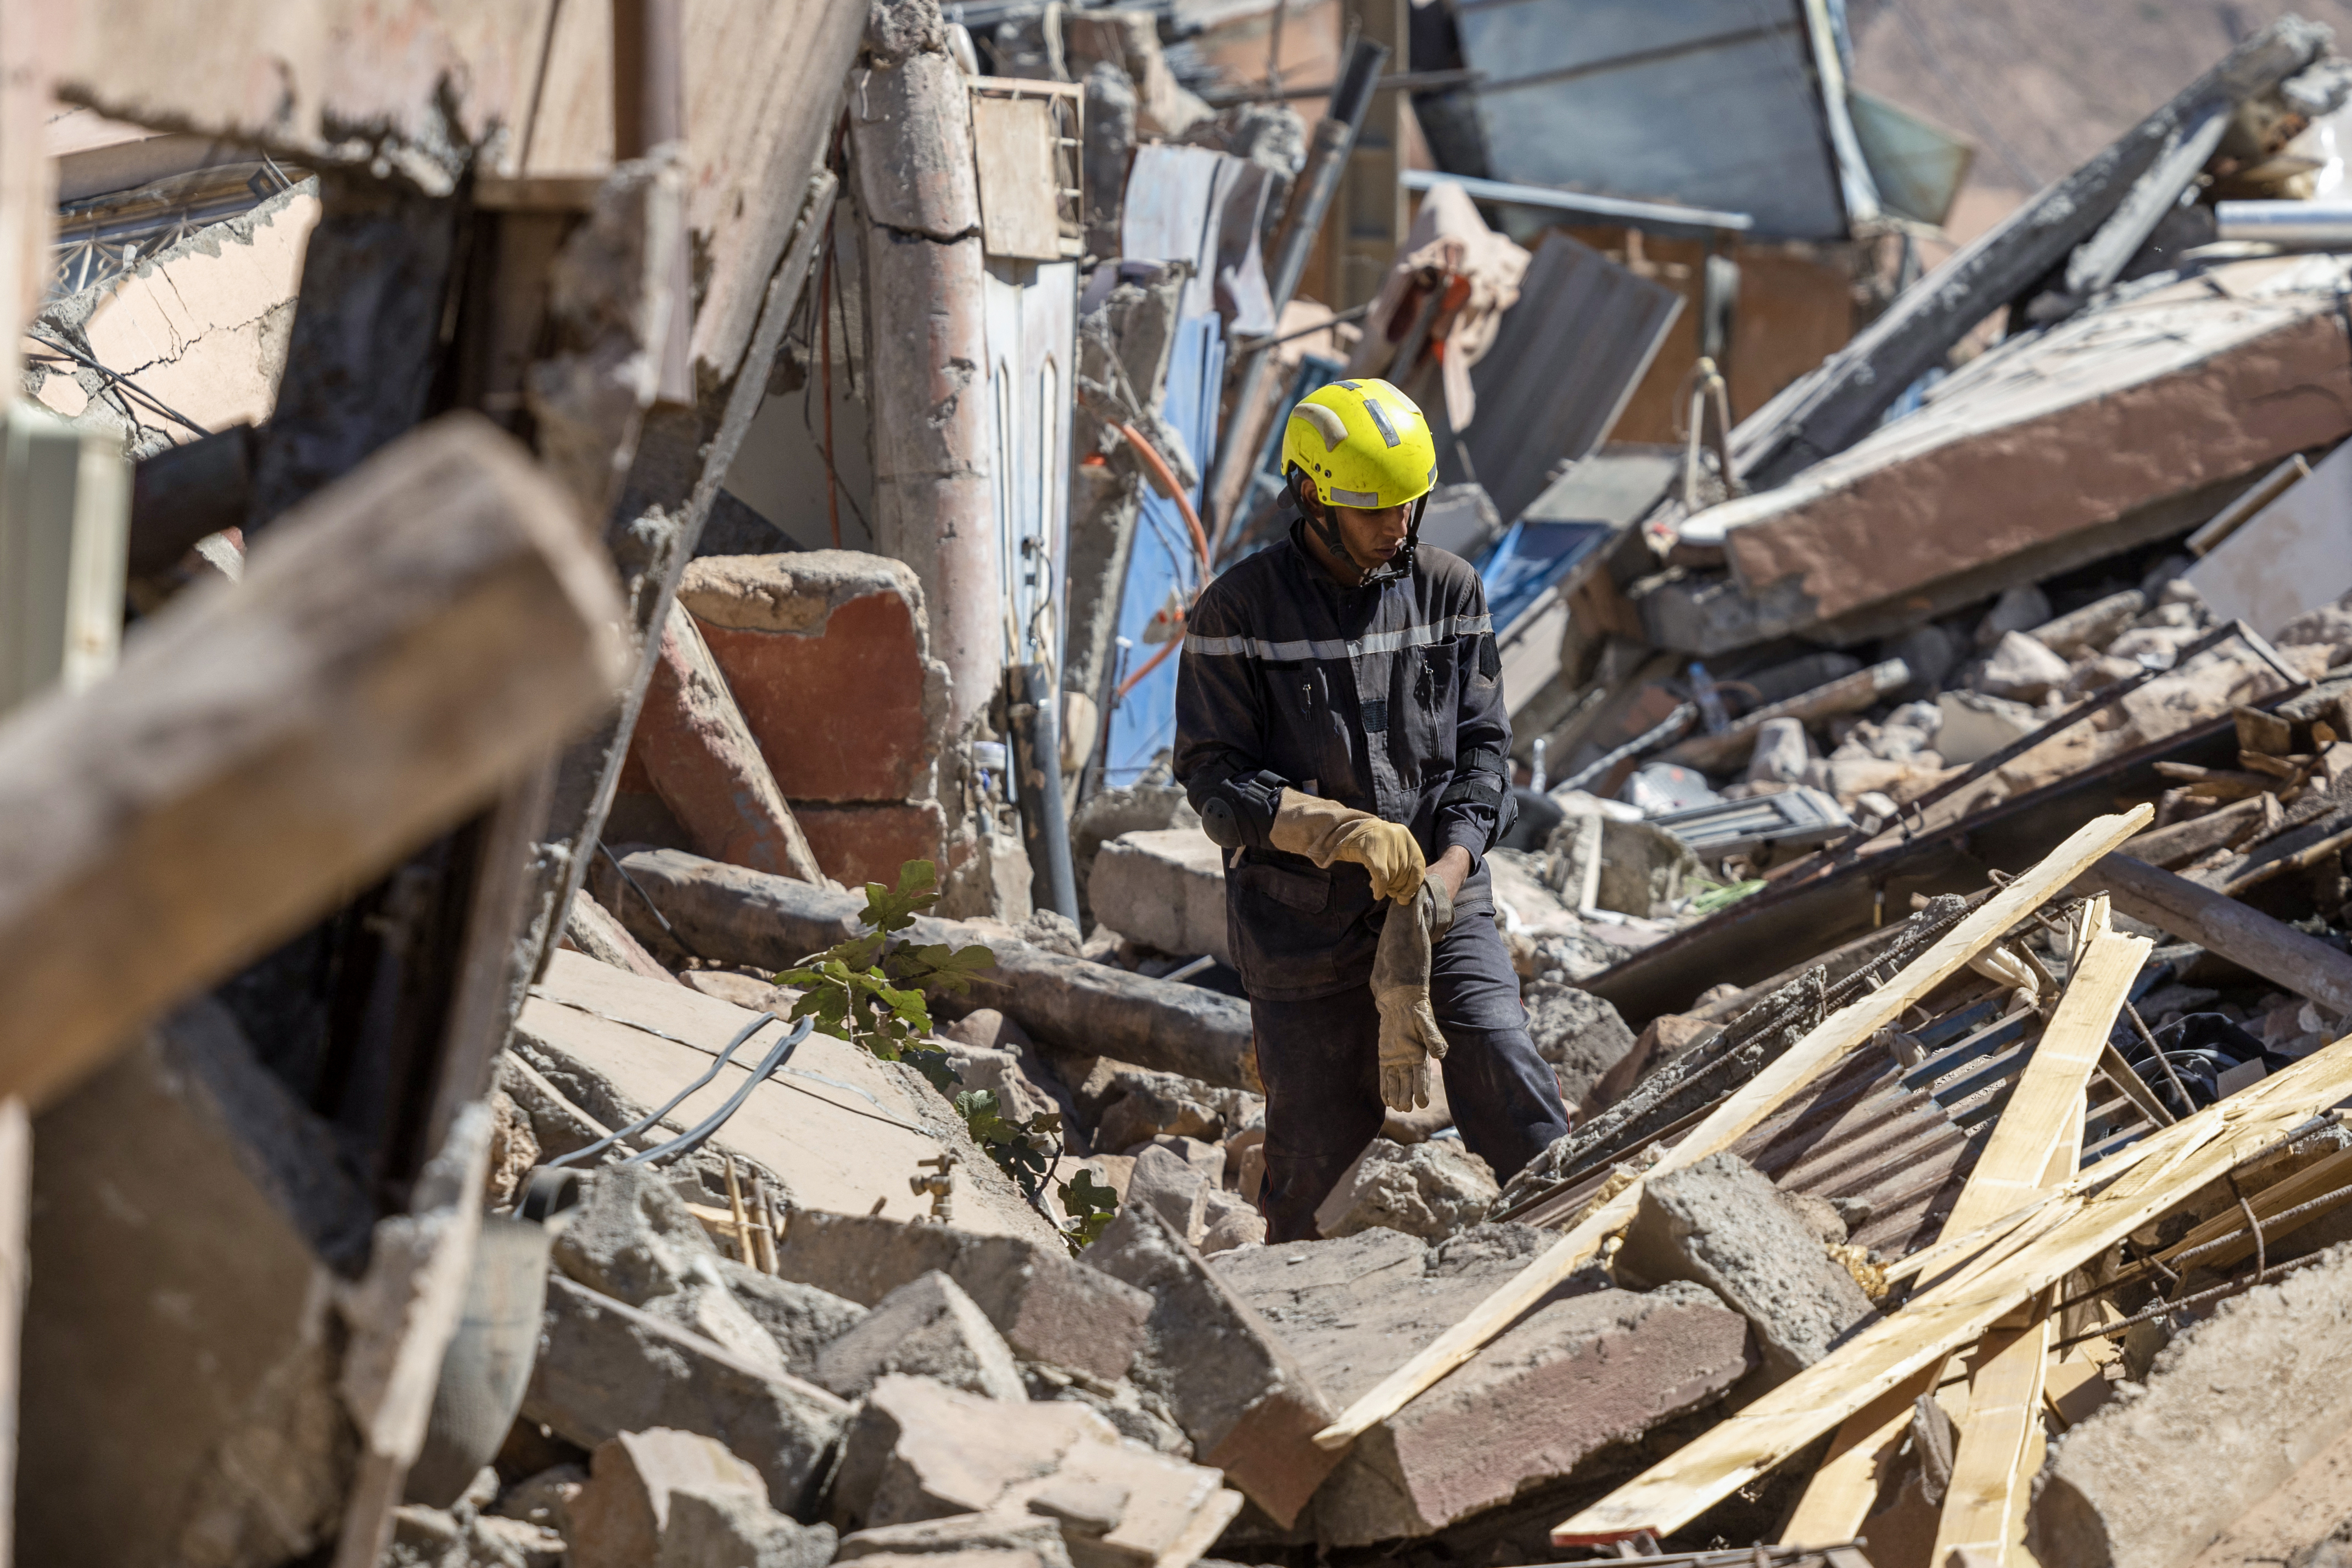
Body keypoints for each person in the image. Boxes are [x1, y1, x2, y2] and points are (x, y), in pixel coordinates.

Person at [1173, 377, 1570, 1241]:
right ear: (1312, 497)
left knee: (1502, 1059)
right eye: (1373, 510)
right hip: (1299, 924)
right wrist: (1332, 830)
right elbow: (1213, 779)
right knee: (1314, 1158)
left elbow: (1483, 753)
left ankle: (1577, 1235)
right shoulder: (1236, 613)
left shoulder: (1449, 591)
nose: (1397, 526)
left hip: (1438, 897)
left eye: (1408, 505)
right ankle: (1297, 1318)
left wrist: (1448, 872)